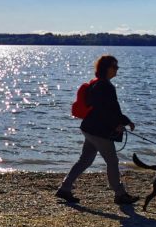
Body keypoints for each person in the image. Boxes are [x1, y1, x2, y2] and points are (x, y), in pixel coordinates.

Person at [56, 55, 139, 205]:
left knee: (85, 160)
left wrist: (125, 121)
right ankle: (120, 194)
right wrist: (117, 124)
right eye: (115, 67)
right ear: (106, 68)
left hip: (89, 128)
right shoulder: (105, 86)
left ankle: (65, 188)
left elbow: (108, 110)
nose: (117, 70)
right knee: (112, 161)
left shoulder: (97, 84)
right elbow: (107, 111)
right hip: (98, 131)